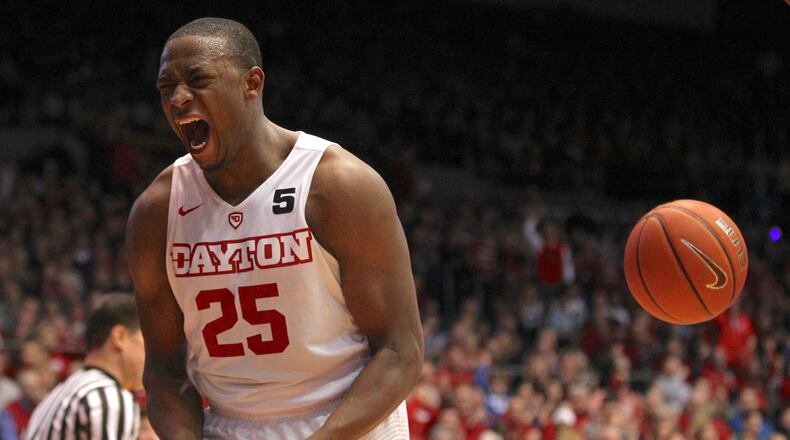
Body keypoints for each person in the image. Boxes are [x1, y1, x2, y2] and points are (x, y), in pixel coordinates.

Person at [126, 17, 424, 439]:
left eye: (198, 79)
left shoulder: (337, 185)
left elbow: (400, 352)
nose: (178, 97)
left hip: (347, 421)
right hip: (229, 425)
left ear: (252, 83)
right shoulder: (157, 212)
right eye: (166, 87)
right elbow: (164, 369)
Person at [23, 294, 143, 439]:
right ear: (120, 337)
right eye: (147, 339)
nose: (153, 351)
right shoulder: (107, 398)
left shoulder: (58, 394)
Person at [0, 369, 48, 439]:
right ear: (21, 389)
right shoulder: (10, 410)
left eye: (36, 387)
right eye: (28, 388)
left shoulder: (51, 407)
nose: (33, 392)